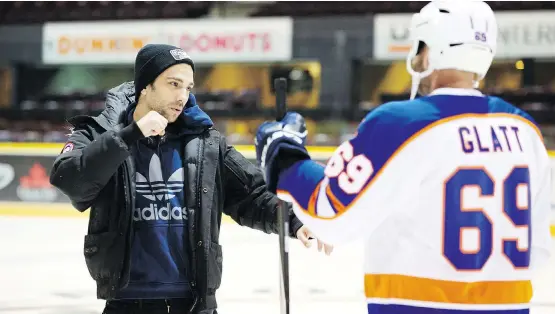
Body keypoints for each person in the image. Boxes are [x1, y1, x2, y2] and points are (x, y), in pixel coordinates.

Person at [255, 2, 552, 313]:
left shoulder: (401, 123)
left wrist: (285, 160)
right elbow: (540, 250)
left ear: (430, 49)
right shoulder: (524, 128)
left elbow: (332, 213)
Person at [49, 44, 332, 314]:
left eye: (188, 87)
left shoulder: (205, 141)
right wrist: (130, 135)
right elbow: (69, 179)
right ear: (145, 86)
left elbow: (252, 195)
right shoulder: (100, 132)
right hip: (125, 302)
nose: (182, 96)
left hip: (195, 303)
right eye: (173, 84)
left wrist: (295, 220)